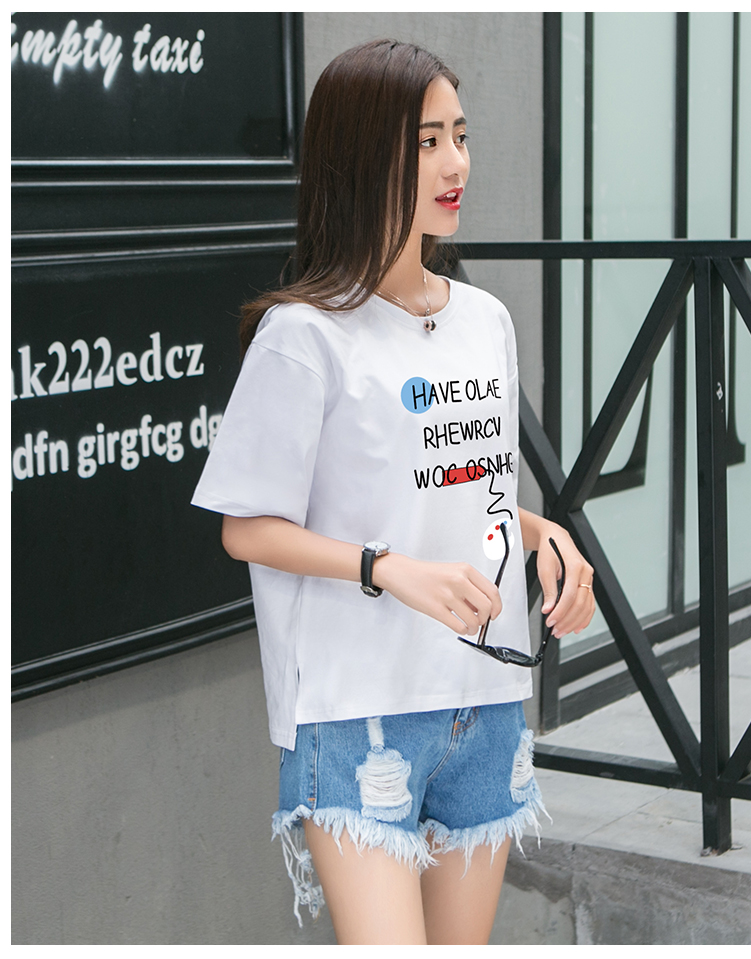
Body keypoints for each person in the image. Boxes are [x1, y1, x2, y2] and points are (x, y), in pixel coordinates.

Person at [192, 39, 595, 945]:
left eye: (461, 135)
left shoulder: (483, 320)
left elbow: (468, 492)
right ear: (363, 154)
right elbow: (247, 528)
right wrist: (391, 569)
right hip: (357, 708)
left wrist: (548, 538)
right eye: (426, 141)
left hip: (484, 699)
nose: (456, 164)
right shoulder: (304, 336)